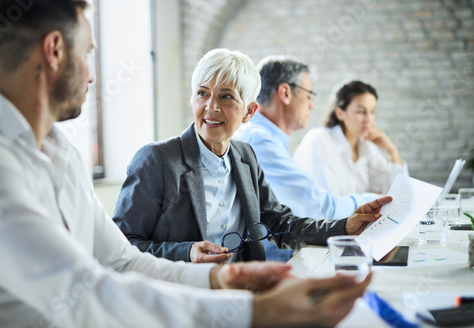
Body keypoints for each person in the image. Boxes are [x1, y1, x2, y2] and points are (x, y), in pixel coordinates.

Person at [0, 0, 376, 327]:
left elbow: (121, 260)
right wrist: (252, 313)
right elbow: (80, 292)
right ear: (55, 50)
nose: (93, 75)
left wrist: (221, 277)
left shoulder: (59, 150)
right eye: (89, 53)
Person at [113, 48, 391, 265]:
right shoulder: (156, 160)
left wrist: (345, 226)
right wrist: (187, 252)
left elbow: (280, 223)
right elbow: (121, 246)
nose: (211, 107)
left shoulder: (245, 156)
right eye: (202, 93)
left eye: (226, 97)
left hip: (242, 289)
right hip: (182, 297)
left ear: (249, 112)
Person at [234, 56, 380, 261]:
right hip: (276, 263)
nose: (312, 105)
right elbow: (320, 209)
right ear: (285, 92)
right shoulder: (259, 141)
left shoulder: (267, 139)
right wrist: (374, 200)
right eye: (309, 95)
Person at [293, 80, 408, 196]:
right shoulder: (319, 140)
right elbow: (327, 202)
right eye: (361, 111)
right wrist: (373, 198)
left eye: (372, 111)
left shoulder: (365, 145)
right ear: (340, 113)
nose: (368, 119)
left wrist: (391, 151)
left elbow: (398, 193)